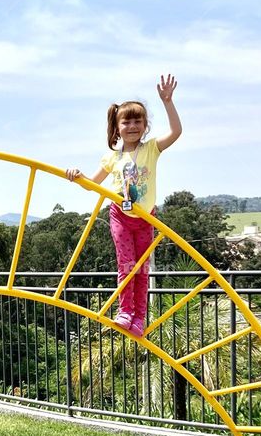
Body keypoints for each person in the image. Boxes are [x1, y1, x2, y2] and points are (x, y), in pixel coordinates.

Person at [67, 74, 182, 337]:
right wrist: (76, 174)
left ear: (145, 125)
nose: (132, 125)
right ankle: (125, 311)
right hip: (120, 215)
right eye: (126, 121)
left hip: (145, 218)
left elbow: (176, 132)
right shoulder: (112, 157)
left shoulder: (151, 149)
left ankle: (139, 317)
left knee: (141, 268)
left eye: (137, 120)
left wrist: (167, 102)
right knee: (126, 264)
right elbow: (91, 183)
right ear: (116, 127)